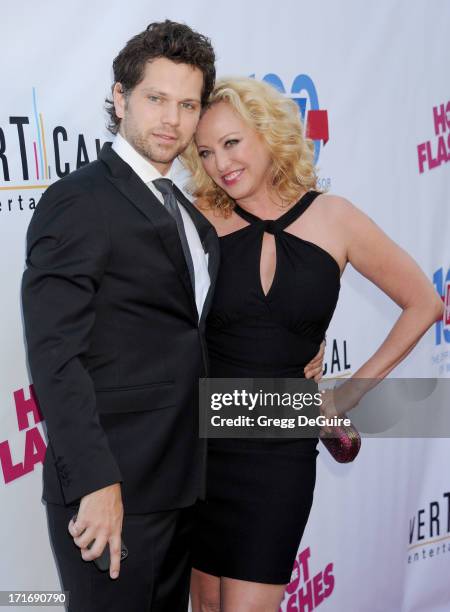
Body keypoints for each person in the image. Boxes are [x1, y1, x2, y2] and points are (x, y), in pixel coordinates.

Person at [21, 22, 325, 611]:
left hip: (185, 485)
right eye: (156, 99)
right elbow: (55, 353)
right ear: (119, 98)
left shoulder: (188, 211)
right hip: (114, 491)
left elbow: (192, 334)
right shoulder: (79, 200)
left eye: (187, 104)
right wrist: (95, 481)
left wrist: (298, 354)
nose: (172, 120)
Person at [182, 77, 444, 612]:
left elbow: (425, 303)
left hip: (282, 447)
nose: (219, 164)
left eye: (232, 143)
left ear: (268, 133)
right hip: (204, 442)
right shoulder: (200, 221)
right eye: (205, 152)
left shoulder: (336, 217)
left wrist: (345, 396)